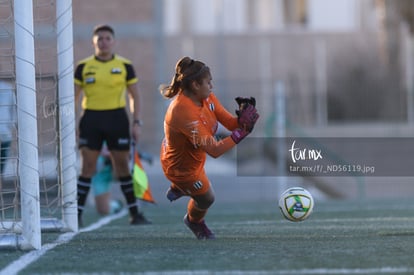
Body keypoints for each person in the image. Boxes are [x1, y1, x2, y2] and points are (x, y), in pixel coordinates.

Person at [159, 57, 259, 239]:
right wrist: (241, 134)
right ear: (196, 85)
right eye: (208, 82)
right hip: (181, 169)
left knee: (199, 189)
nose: (211, 86)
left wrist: (240, 122)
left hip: (191, 157)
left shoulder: (206, 98)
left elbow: (229, 122)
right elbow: (214, 150)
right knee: (207, 198)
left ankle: (180, 188)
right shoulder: (182, 112)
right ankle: (193, 221)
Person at [74, 24, 150, 226]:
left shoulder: (125, 65)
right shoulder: (83, 66)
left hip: (117, 119)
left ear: (113, 41)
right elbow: (73, 97)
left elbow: (135, 96)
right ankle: (76, 216)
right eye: (100, 38)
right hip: (91, 119)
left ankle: (135, 214)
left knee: (123, 166)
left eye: (108, 38)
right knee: (87, 167)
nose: (104, 42)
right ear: (93, 42)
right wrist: (72, 122)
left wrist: (136, 122)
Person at [91, 144, 123, 215]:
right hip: (100, 174)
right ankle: (116, 205)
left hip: (112, 168)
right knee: (103, 211)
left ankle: (134, 205)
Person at [0, 79, 15, 186]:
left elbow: (14, 109)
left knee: (1, 169)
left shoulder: (7, 88)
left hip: (4, 134)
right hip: (5, 132)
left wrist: (9, 126)